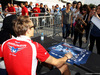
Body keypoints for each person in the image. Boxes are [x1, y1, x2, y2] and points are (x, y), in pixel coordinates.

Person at [0, 16, 73, 75]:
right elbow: (57, 63)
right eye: (33, 26)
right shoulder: (35, 46)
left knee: (42, 62)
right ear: (28, 30)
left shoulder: (5, 43)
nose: (34, 29)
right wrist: (66, 57)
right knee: (64, 66)